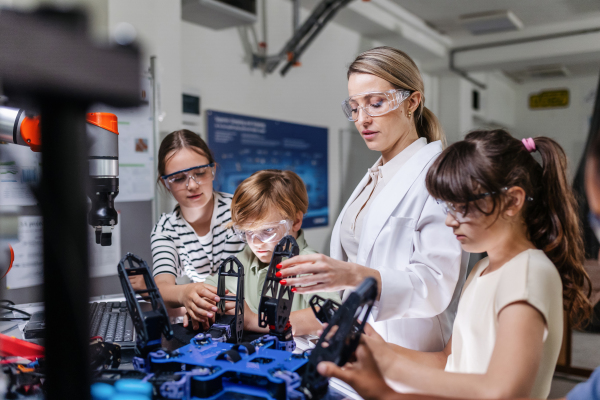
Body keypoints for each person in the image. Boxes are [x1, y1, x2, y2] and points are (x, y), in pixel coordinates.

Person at [318, 130, 593, 399]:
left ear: (512, 201)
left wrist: (388, 378)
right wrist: (379, 350)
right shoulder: (482, 269)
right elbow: (447, 361)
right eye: (446, 206)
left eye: (461, 207)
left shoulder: (529, 272)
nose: (449, 220)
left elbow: (503, 392)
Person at [279, 46, 468, 351]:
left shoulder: (439, 177)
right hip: (360, 342)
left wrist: (350, 275)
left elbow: (435, 286)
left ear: (412, 102)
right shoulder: (376, 176)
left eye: (376, 103)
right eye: (354, 107)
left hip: (411, 349)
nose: (362, 119)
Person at [203, 169, 341, 335]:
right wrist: (202, 305)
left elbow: (332, 314)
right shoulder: (248, 256)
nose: (255, 242)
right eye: (248, 231)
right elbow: (211, 287)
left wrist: (255, 320)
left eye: (268, 230)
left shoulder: (309, 264)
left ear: (296, 221)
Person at [148, 130, 245, 329]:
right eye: (178, 178)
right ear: (166, 184)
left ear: (213, 170)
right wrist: (185, 294)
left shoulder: (242, 210)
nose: (192, 185)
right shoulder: (166, 229)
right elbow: (162, 286)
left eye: (199, 173)